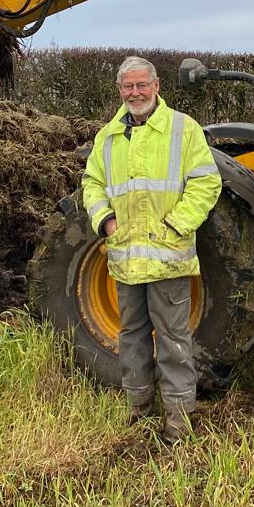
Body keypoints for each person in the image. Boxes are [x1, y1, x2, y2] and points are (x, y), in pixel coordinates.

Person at [81, 56, 221, 441]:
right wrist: (106, 220)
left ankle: (178, 422)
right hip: (125, 260)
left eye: (142, 85)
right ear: (119, 90)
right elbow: (91, 183)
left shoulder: (182, 129)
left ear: (157, 87)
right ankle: (139, 411)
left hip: (168, 259)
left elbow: (206, 182)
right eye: (128, 86)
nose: (135, 93)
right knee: (132, 338)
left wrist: (178, 223)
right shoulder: (107, 137)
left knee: (174, 341)